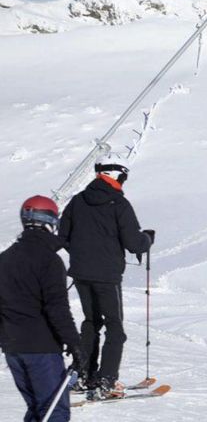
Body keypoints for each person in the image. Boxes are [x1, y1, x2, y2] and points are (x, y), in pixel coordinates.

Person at [58, 161, 154, 399]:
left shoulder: (78, 200)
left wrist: (83, 256)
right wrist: (148, 239)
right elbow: (134, 243)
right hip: (107, 276)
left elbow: (63, 236)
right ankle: (106, 380)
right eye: (123, 179)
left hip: (81, 272)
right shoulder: (118, 204)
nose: (123, 183)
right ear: (115, 177)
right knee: (114, 327)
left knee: (91, 322)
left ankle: (83, 376)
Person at [0, 195, 82, 422]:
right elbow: (57, 308)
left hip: (14, 349)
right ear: (50, 222)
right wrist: (74, 343)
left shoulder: (5, 259)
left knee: (37, 408)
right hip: (41, 349)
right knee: (54, 410)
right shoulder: (49, 261)